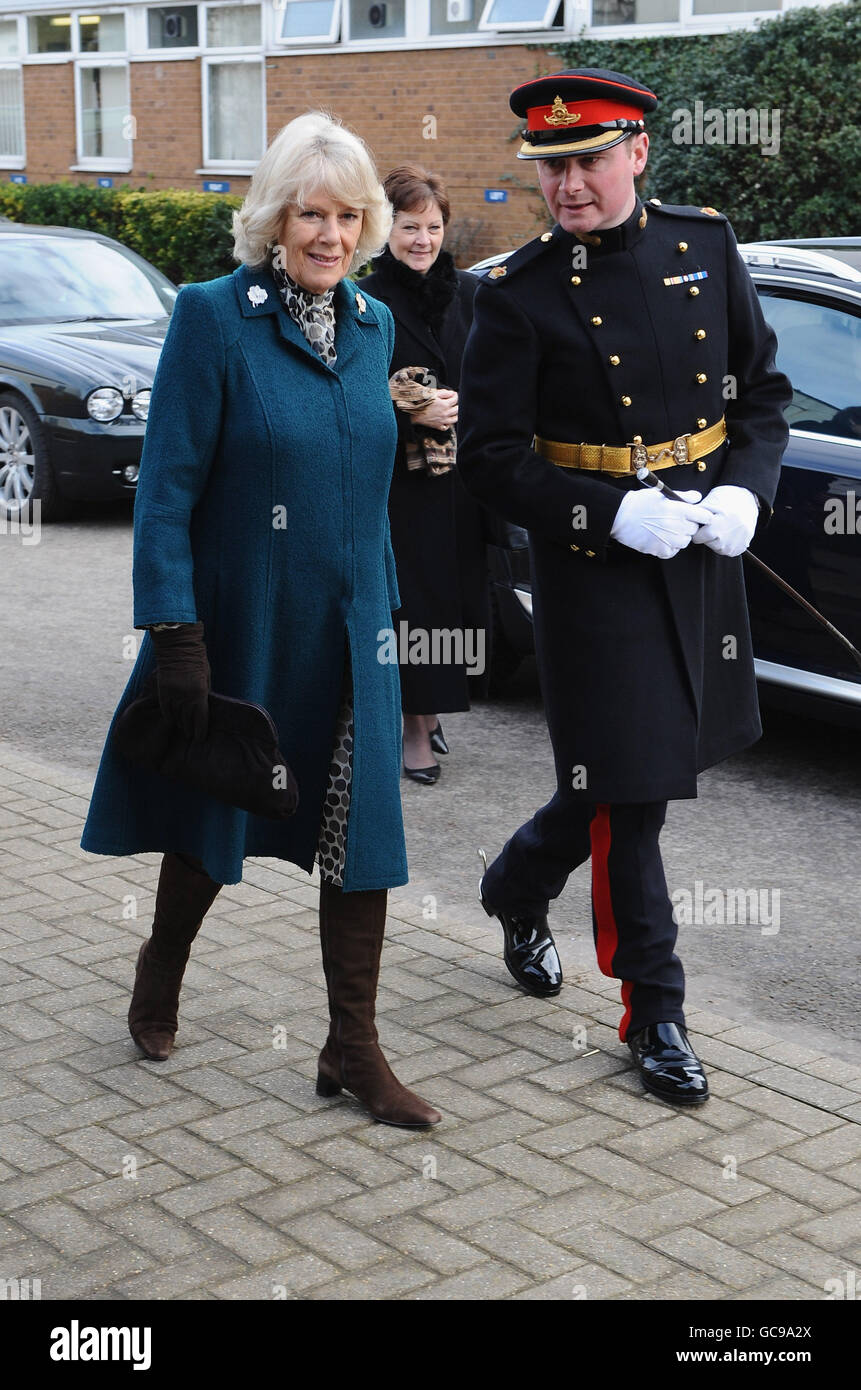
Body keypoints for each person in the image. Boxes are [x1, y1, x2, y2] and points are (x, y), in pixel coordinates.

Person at [80, 111, 441, 1129]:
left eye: (346, 215)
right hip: (244, 622)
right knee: (216, 812)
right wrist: (174, 629)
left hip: (354, 628)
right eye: (308, 214)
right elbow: (166, 488)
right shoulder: (213, 316)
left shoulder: (372, 327)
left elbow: (367, 482)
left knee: (360, 828)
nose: (328, 234)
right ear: (274, 220)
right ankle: (161, 970)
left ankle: (352, 1047)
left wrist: (391, 615)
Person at [458, 68, 791, 1105]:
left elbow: (765, 394)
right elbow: (493, 455)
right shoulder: (511, 292)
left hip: (697, 546)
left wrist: (746, 492)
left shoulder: (705, 245)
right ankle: (656, 1010)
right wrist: (607, 513)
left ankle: (515, 884)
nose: (568, 185)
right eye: (551, 166)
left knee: (631, 776)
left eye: (588, 161)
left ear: (640, 153)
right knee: (633, 798)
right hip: (593, 566)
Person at [361, 165, 490, 783]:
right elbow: (346, 391)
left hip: (460, 481)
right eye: (410, 226)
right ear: (387, 228)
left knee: (454, 604)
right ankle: (413, 727)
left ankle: (429, 708)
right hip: (397, 485)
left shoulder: (468, 292)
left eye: (433, 227)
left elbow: (490, 371)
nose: (423, 239)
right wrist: (410, 407)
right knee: (413, 606)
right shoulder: (362, 298)